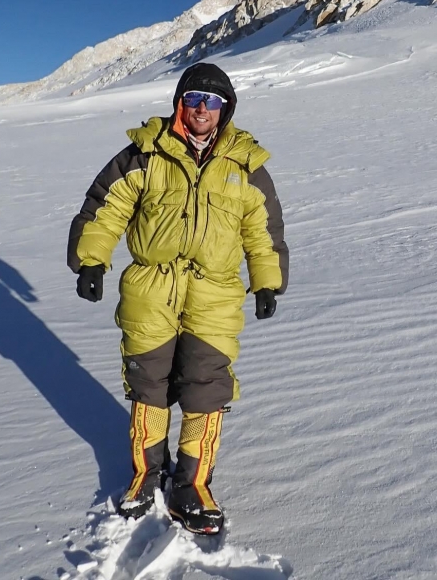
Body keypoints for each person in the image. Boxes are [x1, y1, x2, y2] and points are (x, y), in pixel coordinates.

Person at [67, 62, 288, 534]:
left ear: (225, 110)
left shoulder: (245, 163)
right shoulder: (145, 154)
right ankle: (147, 473)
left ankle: (193, 483)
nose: (202, 109)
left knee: (206, 385)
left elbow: (263, 229)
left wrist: (267, 280)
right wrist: (91, 260)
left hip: (215, 293)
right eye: (194, 99)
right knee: (148, 382)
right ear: (178, 103)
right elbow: (106, 208)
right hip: (151, 289)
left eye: (213, 101)